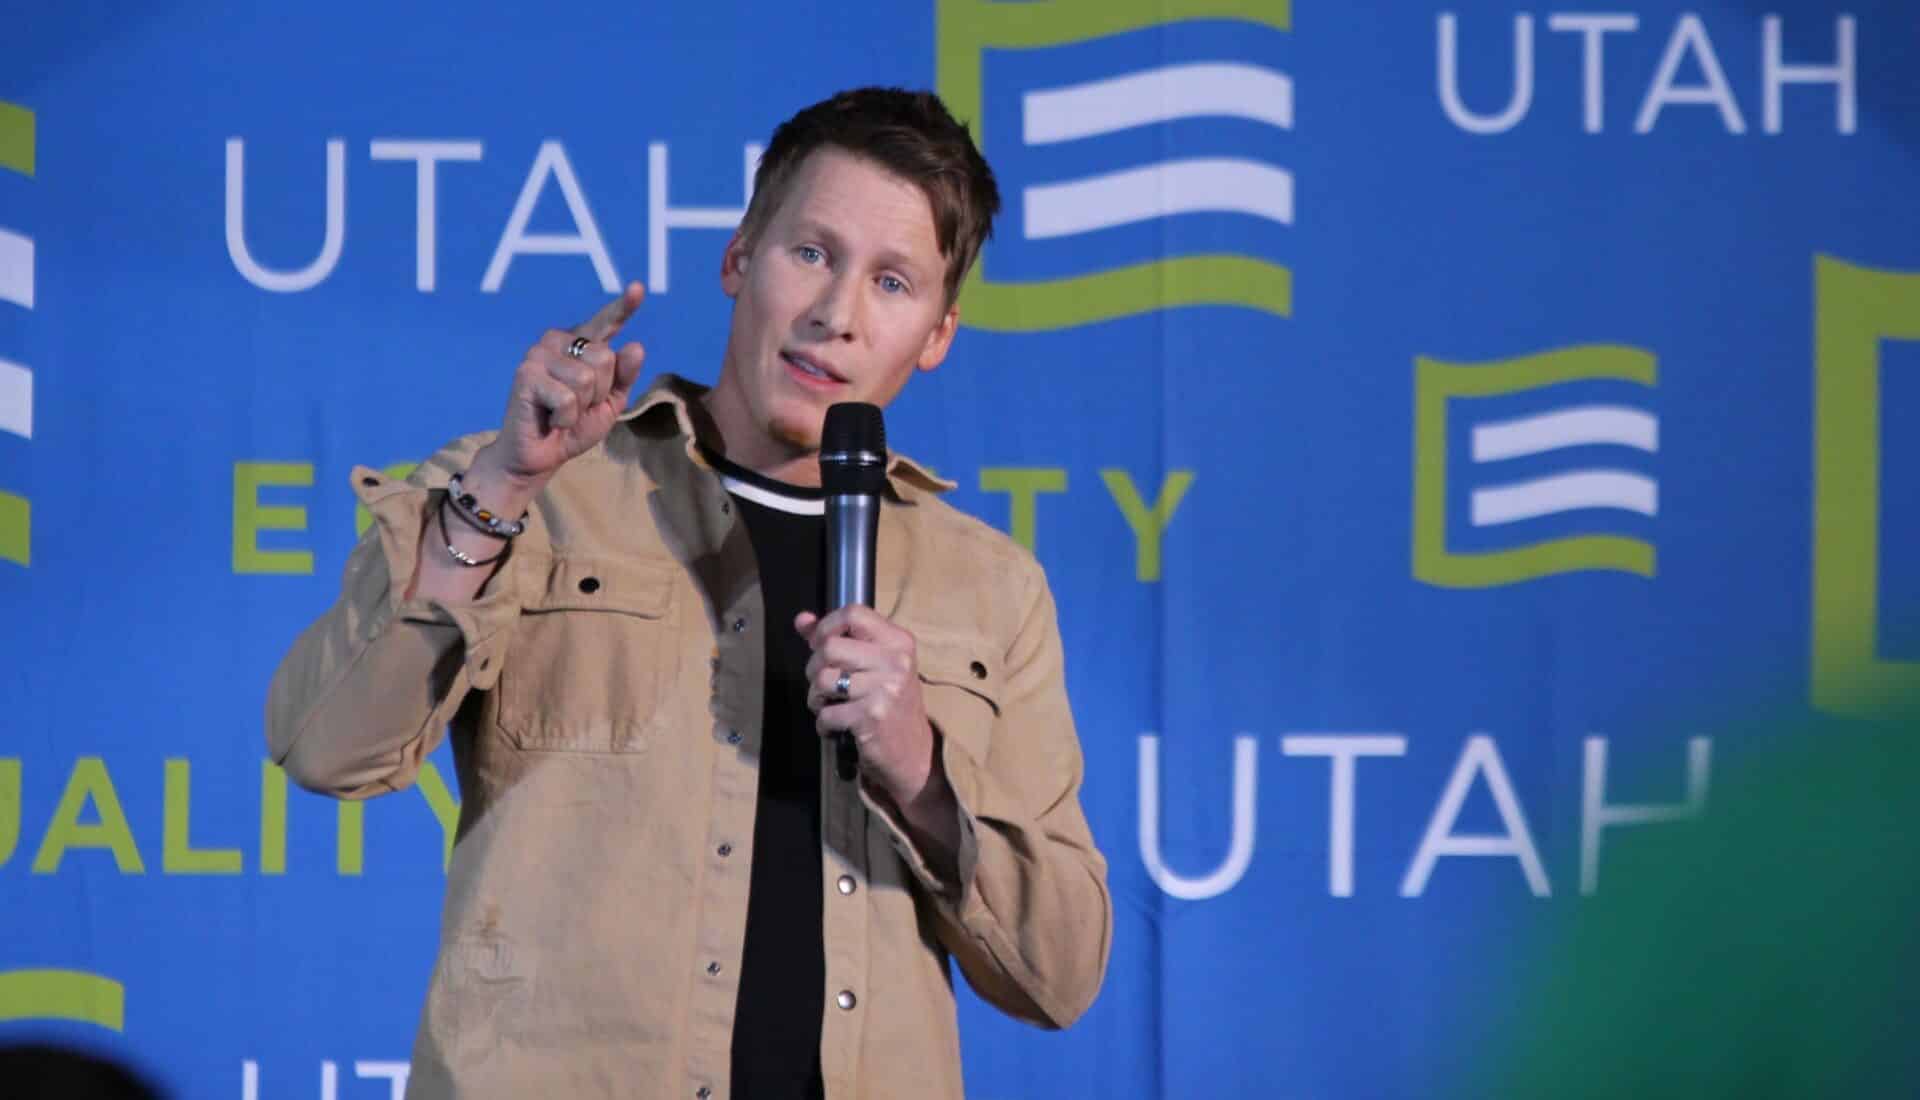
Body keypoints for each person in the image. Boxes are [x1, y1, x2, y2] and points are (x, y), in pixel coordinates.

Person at [266, 87, 1112, 1100]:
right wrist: (501, 488)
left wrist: (922, 771)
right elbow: (325, 746)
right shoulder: (536, 490)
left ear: (937, 333)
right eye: (811, 253)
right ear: (738, 257)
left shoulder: (992, 586)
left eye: (892, 282)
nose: (835, 315)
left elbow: (1060, 972)